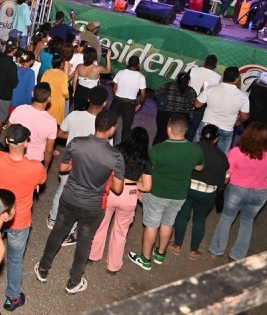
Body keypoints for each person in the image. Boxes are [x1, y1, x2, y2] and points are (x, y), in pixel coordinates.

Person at [35, 110, 125, 294]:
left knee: (58, 231)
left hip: (69, 198)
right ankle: (74, 281)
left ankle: (43, 268)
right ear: (112, 129)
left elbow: (63, 168)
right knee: (85, 241)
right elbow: (117, 189)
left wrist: (77, 166)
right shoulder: (116, 157)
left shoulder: (76, 143)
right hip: (94, 205)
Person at [128, 115, 204, 271]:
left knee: (151, 225)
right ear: (186, 130)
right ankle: (160, 254)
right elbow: (199, 167)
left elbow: (146, 171)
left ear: (169, 129)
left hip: (156, 192)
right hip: (179, 194)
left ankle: (145, 259)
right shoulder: (195, 149)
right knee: (168, 223)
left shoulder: (157, 150)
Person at [0, 125, 46, 311]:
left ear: (7, 141)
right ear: (26, 143)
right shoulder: (35, 167)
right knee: (14, 260)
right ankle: (12, 298)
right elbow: (42, 180)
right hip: (19, 220)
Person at [89, 127, 153, 273]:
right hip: (129, 197)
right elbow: (147, 186)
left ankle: (93, 255)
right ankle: (113, 266)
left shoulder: (117, 150)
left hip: (112, 191)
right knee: (120, 232)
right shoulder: (145, 160)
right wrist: (134, 183)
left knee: (101, 224)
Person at [209, 122, 267, 260]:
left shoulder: (237, 152)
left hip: (237, 190)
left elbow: (227, 172)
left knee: (227, 218)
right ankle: (237, 255)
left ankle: (216, 250)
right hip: (260, 193)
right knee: (247, 223)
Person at [48, 86, 109, 232]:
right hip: (90, 166)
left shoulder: (74, 115)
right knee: (81, 196)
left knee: (62, 189)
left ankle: (53, 218)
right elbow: (106, 149)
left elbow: (60, 133)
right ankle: (72, 228)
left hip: (70, 160)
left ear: (88, 99)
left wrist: (71, 136)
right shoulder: (103, 125)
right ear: (105, 103)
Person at [170, 124, 230, 260]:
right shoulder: (222, 157)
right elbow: (225, 179)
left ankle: (177, 245)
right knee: (200, 220)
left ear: (201, 135)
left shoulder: (189, 148)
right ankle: (193, 251)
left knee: (182, 215)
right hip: (207, 194)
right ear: (216, 139)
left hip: (187, 188)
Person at [194, 66, 250, 153]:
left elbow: (197, 105)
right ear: (237, 79)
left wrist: (201, 92)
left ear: (224, 76)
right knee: (220, 157)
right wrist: (239, 121)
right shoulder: (243, 97)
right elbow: (245, 117)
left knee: (196, 151)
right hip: (226, 129)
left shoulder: (210, 88)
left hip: (206, 125)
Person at [8, 82, 57, 172]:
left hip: (17, 156)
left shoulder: (19, 109)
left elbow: (9, 132)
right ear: (49, 98)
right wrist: (45, 168)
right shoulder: (52, 122)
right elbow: (49, 150)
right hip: (36, 162)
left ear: (32, 94)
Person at [109, 55, 147, 145]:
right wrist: (140, 104)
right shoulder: (141, 77)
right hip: (130, 104)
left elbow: (114, 89)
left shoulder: (120, 72)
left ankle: (106, 143)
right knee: (126, 128)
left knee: (109, 123)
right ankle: (123, 149)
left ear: (128, 63)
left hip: (117, 101)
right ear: (138, 65)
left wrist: (118, 96)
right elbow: (143, 95)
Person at [154, 71, 196, 146]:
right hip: (182, 118)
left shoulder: (168, 85)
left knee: (160, 135)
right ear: (188, 81)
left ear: (177, 78)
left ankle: (155, 150)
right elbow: (195, 104)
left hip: (164, 114)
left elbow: (156, 94)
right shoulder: (191, 91)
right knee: (178, 138)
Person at [188, 55, 221, 141]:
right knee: (193, 129)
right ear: (215, 65)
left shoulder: (193, 70)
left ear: (204, 62)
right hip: (201, 105)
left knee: (182, 124)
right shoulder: (217, 77)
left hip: (188, 101)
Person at [72, 47, 110, 112]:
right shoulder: (97, 68)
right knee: (90, 112)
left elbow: (74, 81)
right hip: (91, 92)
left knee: (77, 111)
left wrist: (74, 91)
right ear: (94, 57)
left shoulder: (79, 66)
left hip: (79, 91)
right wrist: (108, 57)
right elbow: (108, 70)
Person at [41, 52, 69, 125]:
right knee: (54, 123)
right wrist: (67, 96)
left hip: (46, 101)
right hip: (57, 104)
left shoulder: (46, 72)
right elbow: (65, 92)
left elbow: (41, 84)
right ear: (61, 64)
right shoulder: (63, 75)